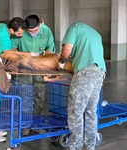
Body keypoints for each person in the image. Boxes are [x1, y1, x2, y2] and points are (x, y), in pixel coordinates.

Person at [59, 22, 106, 150]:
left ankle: (75, 146)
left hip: (85, 71)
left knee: (76, 111)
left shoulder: (74, 28)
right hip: (100, 71)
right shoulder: (95, 34)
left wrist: (62, 60)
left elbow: (67, 50)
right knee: (91, 111)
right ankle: (90, 146)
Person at [11, 14, 56, 135]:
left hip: (40, 68)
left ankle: (34, 123)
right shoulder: (21, 32)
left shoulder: (46, 31)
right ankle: (25, 125)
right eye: (30, 31)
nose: (33, 33)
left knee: (39, 97)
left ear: (39, 25)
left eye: (35, 30)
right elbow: (12, 49)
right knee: (24, 97)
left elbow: (50, 48)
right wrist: (25, 55)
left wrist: (45, 59)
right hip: (23, 69)